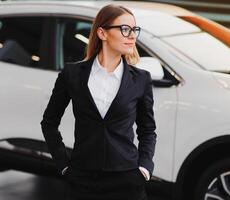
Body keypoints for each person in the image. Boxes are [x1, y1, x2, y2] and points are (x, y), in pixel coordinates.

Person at [40, 4, 157, 200]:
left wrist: (144, 167)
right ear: (102, 33)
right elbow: (49, 123)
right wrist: (64, 166)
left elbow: (148, 130)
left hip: (127, 181)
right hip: (82, 181)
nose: (132, 36)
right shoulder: (72, 74)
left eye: (134, 30)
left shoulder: (141, 79)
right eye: (124, 29)